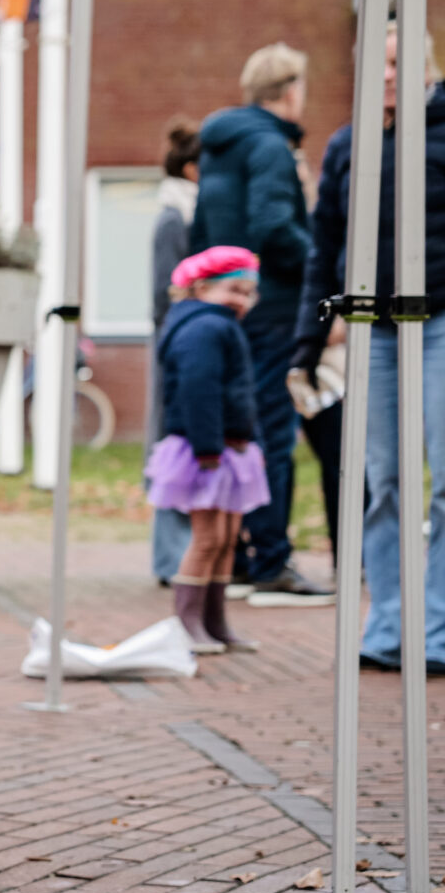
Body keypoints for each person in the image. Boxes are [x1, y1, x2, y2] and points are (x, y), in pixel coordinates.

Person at [296, 23, 445, 673]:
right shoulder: (347, 145)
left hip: (440, 323)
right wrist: (305, 345)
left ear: (425, 66)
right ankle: (388, 626)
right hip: (375, 330)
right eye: (374, 65)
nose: (384, 75)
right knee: (384, 480)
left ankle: (436, 630)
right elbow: (322, 248)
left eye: (396, 62)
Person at [189, 43, 332, 606]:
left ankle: (242, 559)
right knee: (272, 431)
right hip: (272, 308)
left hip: (229, 306)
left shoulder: (219, 146)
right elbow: (273, 226)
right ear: (291, 90)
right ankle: (272, 562)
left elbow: (204, 232)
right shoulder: (271, 146)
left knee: (238, 429)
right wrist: (321, 267)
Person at [149, 247, 269, 652]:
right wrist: (207, 450)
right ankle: (187, 626)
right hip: (205, 450)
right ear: (201, 288)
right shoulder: (203, 328)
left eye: (249, 293)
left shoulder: (222, 325)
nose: (242, 301)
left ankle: (215, 623)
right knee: (207, 538)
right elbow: (198, 390)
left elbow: (240, 395)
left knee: (227, 538)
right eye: (233, 289)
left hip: (230, 447)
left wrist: (249, 441)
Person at [149, 118, 201, 585]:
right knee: (173, 442)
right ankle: (170, 560)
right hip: (177, 345)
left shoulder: (187, 213)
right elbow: (164, 293)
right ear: (191, 170)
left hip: (184, 339)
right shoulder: (174, 218)